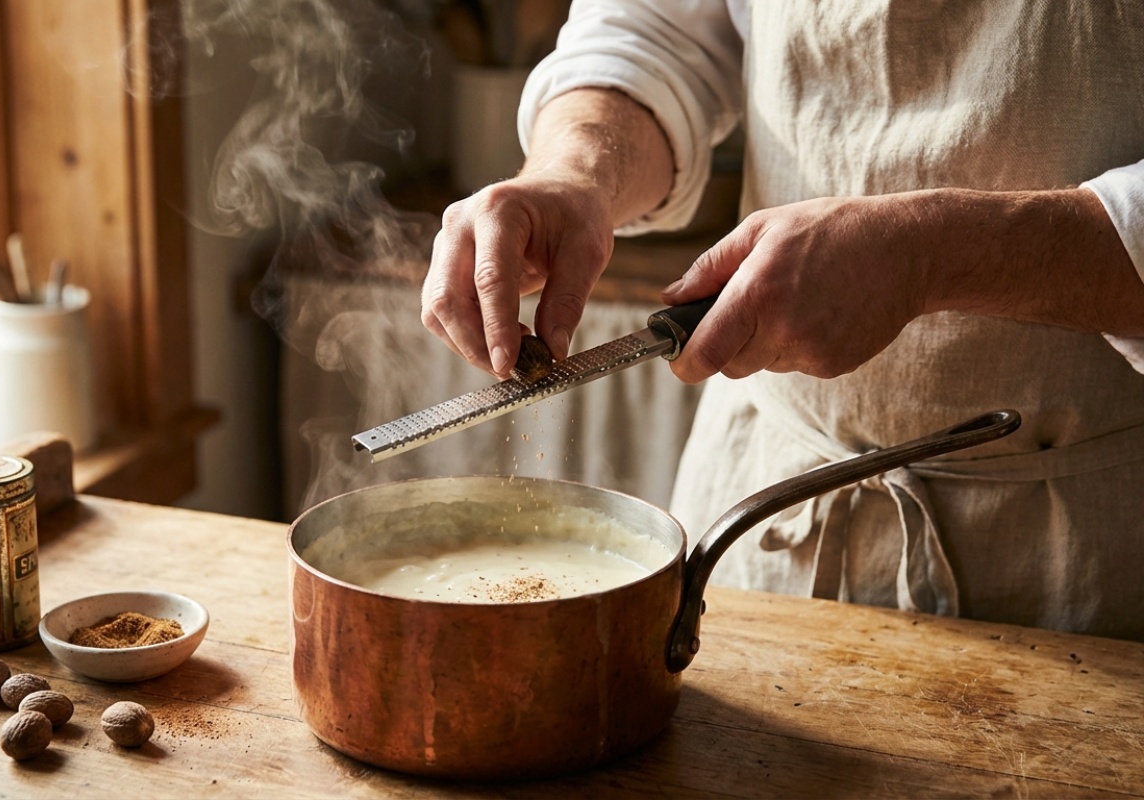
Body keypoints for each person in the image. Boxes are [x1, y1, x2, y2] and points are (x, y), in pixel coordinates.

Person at [421, 1, 1144, 640]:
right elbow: (656, 27)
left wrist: (929, 254)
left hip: (1083, 553)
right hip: (763, 513)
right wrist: (573, 169)